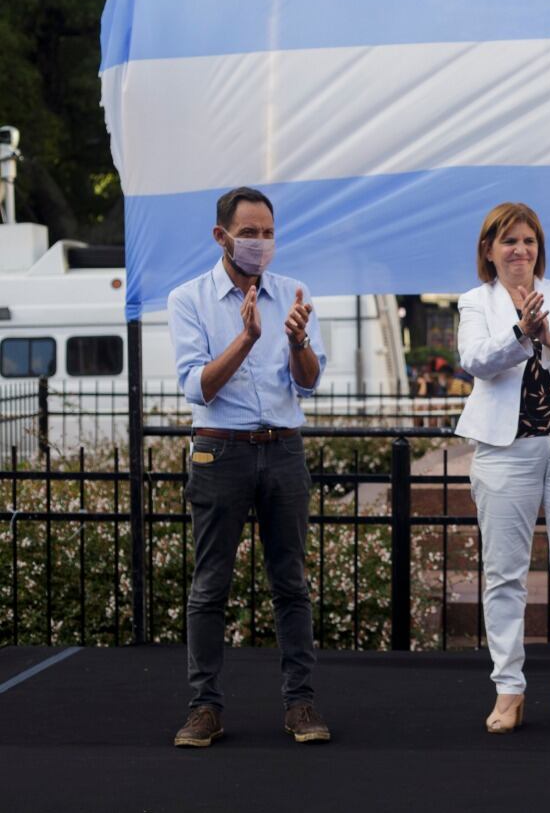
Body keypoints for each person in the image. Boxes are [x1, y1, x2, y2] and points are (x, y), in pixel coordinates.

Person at [167, 186, 330, 747]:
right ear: (222, 237)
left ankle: (300, 706)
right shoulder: (188, 299)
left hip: (283, 448)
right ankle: (204, 709)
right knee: (210, 586)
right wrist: (248, 338)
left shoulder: (294, 294)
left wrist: (297, 340)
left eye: (268, 233)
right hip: (220, 451)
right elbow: (199, 387)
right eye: (250, 233)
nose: (261, 243)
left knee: (292, 584)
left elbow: (308, 380)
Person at [456, 202, 550, 734]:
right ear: (489, 250)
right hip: (504, 451)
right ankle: (509, 691)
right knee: (503, 577)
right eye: (509, 242)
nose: (521, 250)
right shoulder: (475, 301)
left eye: (528, 240)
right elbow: (474, 360)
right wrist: (520, 334)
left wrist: (549, 337)